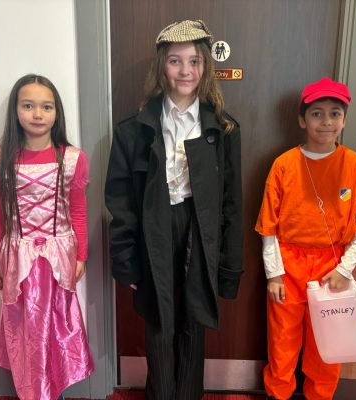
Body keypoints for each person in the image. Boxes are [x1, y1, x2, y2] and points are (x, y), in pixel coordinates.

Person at [105, 19, 243, 400]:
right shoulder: (134, 130)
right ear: (161, 66)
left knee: (193, 318)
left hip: (200, 228)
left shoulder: (223, 129)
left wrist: (229, 266)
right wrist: (127, 261)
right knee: (159, 318)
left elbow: (231, 202)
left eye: (194, 61)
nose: (185, 71)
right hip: (156, 228)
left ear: (205, 66)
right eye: (175, 61)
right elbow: (120, 202)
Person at [255, 77, 356, 400]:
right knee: (282, 340)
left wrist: (345, 269)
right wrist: (274, 274)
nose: (326, 122)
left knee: (328, 342)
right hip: (288, 264)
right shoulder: (284, 165)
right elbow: (268, 227)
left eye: (335, 114)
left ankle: (320, 395)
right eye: (317, 113)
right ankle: (278, 393)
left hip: (333, 265)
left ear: (344, 120)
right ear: (302, 119)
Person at [0, 74, 94, 400]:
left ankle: (53, 390)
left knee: (57, 327)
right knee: (26, 330)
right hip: (17, 260)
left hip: (58, 259)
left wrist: (81, 256)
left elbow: (78, 211)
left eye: (46, 107)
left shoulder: (72, 158)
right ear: (15, 111)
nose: (37, 114)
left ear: (56, 112)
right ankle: (33, 392)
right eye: (28, 106)